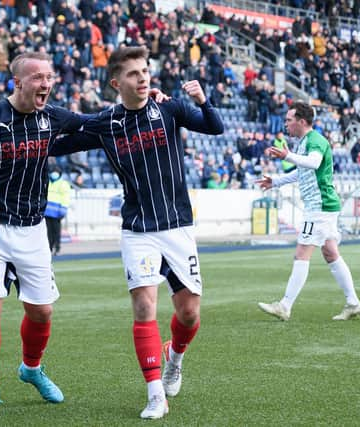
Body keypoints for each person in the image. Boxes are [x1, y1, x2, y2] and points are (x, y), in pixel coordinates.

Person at [50, 46, 224, 419]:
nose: (143, 77)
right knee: (145, 306)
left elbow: (215, 127)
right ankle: (154, 393)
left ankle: (174, 361)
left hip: (177, 224)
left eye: (145, 71)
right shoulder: (106, 124)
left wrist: (202, 100)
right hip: (138, 229)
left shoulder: (170, 109)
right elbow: (60, 143)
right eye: (133, 73)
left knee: (189, 313)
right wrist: (28, 132)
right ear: (116, 82)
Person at [0, 52, 87, 420]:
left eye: (50, 77)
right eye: (38, 77)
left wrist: (132, 108)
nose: (46, 84)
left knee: (41, 311)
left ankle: (30, 368)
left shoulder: (52, 117)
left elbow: (92, 123)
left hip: (32, 229)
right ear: (18, 82)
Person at [256, 101, 360, 322]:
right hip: (324, 206)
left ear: (302, 122)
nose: (285, 124)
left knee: (302, 253)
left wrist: (287, 156)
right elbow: (302, 172)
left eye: (289, 120)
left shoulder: (315, 140)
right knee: (331, 253)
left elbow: (314, 163)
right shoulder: (305, 141)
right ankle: (353, 303)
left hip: (319, 207)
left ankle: (285, 305)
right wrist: (276, 182)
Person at [44, 166, 72, 256]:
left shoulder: (63, 184)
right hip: (47, 211)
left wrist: (63, 209)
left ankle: (57, 247)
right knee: (48, 232)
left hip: (57, 212)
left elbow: (66, 197)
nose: (54, 173)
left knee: (56, 231)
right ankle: (50, 248)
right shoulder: (47, 181)